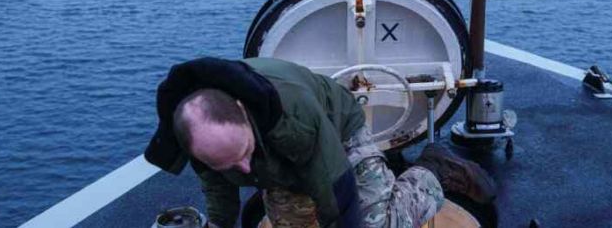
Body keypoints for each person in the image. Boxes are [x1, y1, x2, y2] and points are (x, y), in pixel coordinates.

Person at [145, 56, 495, 228]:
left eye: (243, 153)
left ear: (241, 111)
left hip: (336, 131)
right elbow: (219, 195)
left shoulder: (294, 115)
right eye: (229, 166)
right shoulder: (197, 135)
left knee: (375, 225)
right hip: (278, 157)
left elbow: (335, 190)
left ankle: (433, 170)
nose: (244, 171)